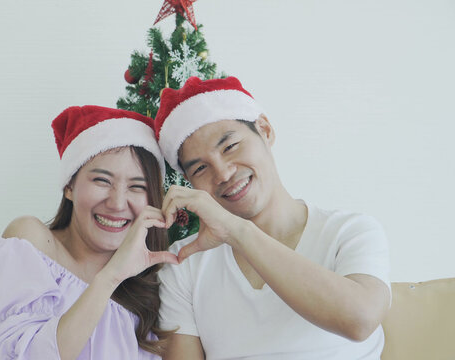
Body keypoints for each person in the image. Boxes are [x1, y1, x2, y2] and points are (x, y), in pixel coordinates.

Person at [153, 76, 391, 359]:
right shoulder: (183, 261)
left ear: (265, 131)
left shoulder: (350, 231)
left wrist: (237, 232)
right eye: (201, 168)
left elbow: (360, 320)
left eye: (230, 147)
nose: (224, 174)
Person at [0, 105, 179, 360]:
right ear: (69, 186)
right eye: (102, 180)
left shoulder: (154, 287)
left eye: (137, 186)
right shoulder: (31, 241)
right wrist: (110, 277)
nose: (118, 203)